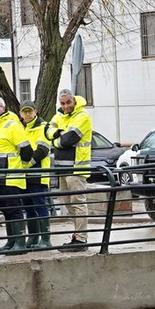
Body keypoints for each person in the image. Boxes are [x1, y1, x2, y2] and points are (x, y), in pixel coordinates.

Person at [46, 90, 93, 251]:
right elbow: (47, 131)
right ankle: (77, 235)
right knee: (68, 203)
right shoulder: (59, 116)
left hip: (76, 167)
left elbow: (68, 140)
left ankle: (81, 240)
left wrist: (56, 140)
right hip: (62, 168)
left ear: (74, 101)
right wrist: (59, 133)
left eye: (68, 102)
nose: (66, 106)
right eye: (63, 103)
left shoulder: (82, 116)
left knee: (78, 203)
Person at [0, 98, 29, 253]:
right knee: (5, 209)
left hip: (10, 176)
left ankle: (20, 244)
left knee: (14, 209)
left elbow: (26, 151)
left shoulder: (12, 125)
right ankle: (11, 242)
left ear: (4, 107)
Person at [18, 103, 52, 250]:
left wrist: (27, 164)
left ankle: (45, 238)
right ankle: (33, 237)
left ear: (35, 111)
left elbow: (42, 150)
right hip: (24, 176)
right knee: (29, 207)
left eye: (29, 111)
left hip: (38, 174)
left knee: (40, 205)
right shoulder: (20, 128)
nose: (27, 114)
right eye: (24, 112)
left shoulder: (43, 126)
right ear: (20, 113)